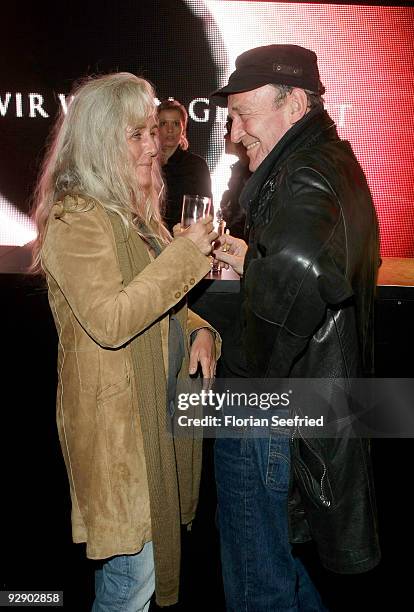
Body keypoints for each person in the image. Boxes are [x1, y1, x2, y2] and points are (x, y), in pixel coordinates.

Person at [31, 72, 220, 611]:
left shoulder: (132, 212)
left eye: (151, 132)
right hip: (117, 433)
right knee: (130, 586)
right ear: (99, 141)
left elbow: (162, 304)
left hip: (146, 423)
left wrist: (199, 329)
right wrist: (188, 257)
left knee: (137, 580)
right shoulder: (76, 218)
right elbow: (113, 320)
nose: (152, 145)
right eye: (136, 135)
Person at [211, 45, 381, 610]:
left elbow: (303, 278)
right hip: (306, 402)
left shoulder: (305, 172)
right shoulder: (321, 159)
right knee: (278, 572)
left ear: (296, 104)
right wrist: (254, 260)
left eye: (244, 116)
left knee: (258, 582)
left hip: (268, 409)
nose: (234, 134)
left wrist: (236, 378)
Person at [157, 98, 212, 232]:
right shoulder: (145, 163)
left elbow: (206, 214)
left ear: (183, 128)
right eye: (163, 123)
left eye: (175, 123)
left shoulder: (196, 166)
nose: (169, 129)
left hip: (185, 242)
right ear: (155, 127)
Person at [219, 116, 251, 239]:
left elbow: (241, 223)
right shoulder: (240, 170)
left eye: (228, 132)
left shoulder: (251, 174)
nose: (225, 137)